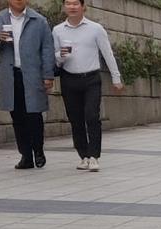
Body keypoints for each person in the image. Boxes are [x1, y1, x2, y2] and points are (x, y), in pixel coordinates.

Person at [52, 0, 121, 173]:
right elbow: (54, 59)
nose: (72, 7)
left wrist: (116, 78)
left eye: (76, 3)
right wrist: (60, 55)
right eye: (68, 3)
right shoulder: (58, 30)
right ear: (64, 7)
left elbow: (107, 54)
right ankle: (83, 156)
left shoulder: (95, 28)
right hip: (69, 79)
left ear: (83, 6)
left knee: (91, 116)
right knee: (75, 119)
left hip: (91, 78)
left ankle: (94, 156)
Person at [0, 0, 55, 170]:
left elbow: (47, 49)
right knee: (17, 116)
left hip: (32, 74)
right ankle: (25, 155)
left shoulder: (39, 20)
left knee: (34, 114)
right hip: (10, 75)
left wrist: (48, 74)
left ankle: (38, 151)